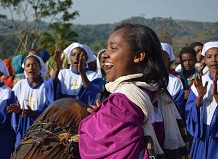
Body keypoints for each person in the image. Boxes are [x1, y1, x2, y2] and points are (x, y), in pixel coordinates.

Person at [79, 23, 189, 159]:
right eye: (107, 48)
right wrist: (104, 115)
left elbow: (98, 148)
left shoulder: (122, 103)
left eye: (113, 48)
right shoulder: (160, 94)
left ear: (138, 56)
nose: (106, 54)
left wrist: (94, 121)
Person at [7, 54, 51, 148]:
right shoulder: (19, 85)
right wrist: (17, 111)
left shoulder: (46, 86)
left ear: (40, 67)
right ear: (25, 68)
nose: (31, 68)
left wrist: (34, 113)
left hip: (39, 128)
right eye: (28, 65)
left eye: (35, 65)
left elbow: (50, 110)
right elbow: (14, 105)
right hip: (22, 126)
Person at [185, 41, 218, 159]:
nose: (214, 60)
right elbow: (189, 111)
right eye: (209, 57)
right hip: (202, 134)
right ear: (204, 60)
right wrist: (200, 96)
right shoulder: (199, 82)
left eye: (217, 56)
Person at [161, 50, 184, 116]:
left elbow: (178, 105)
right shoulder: (147, 80)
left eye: (164, 60)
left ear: (169, 61)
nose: (161, 63)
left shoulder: (175, 81)